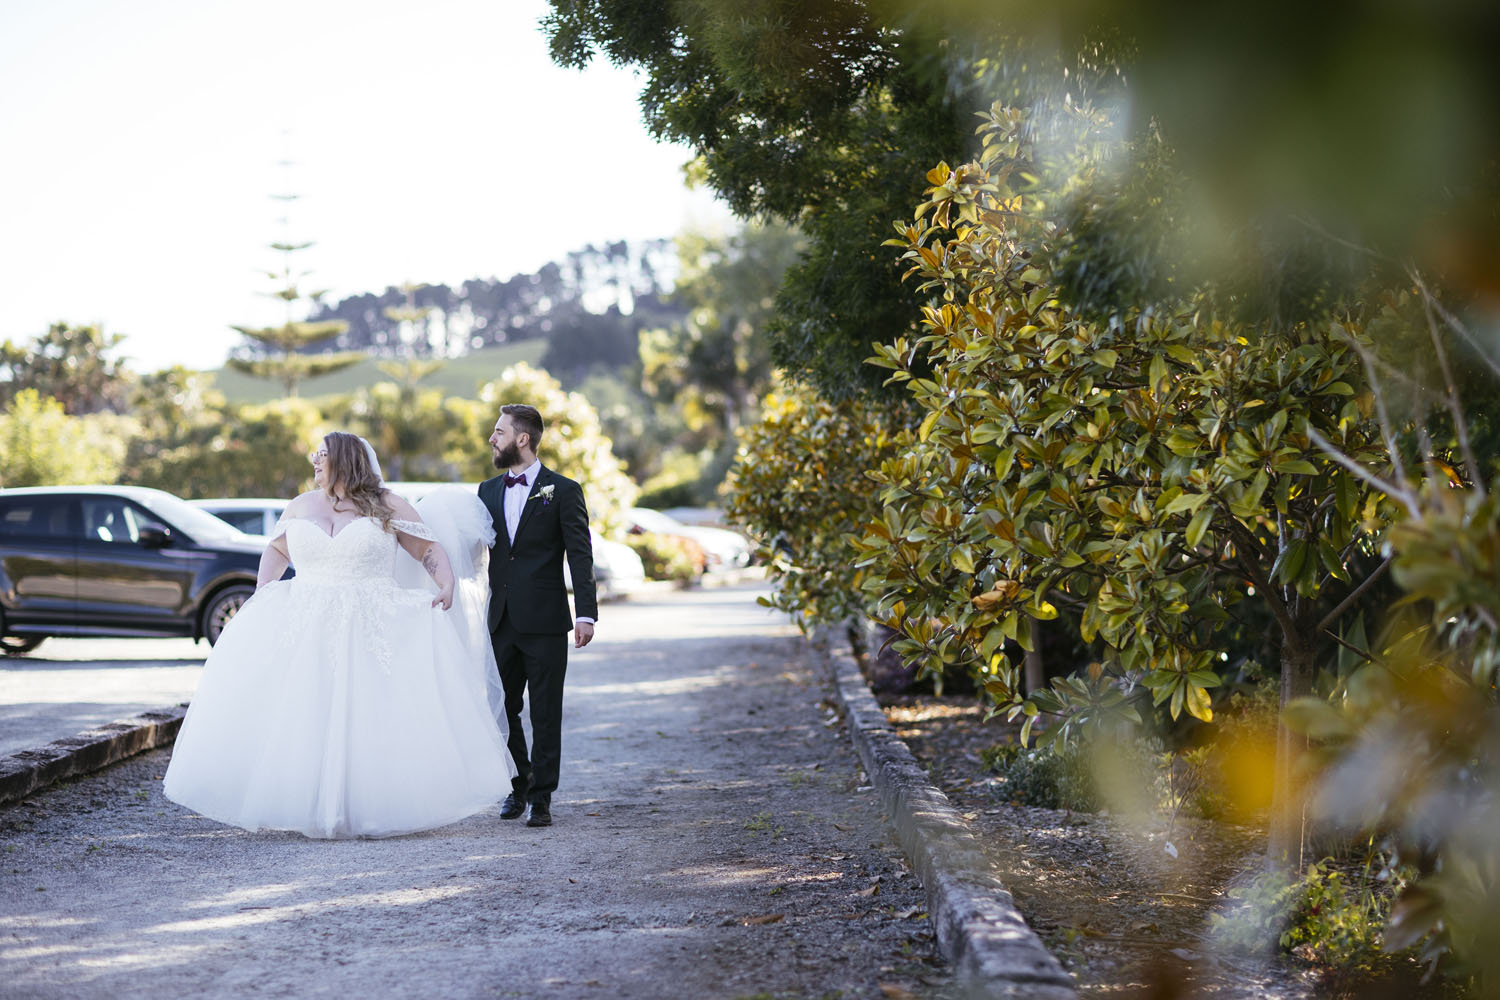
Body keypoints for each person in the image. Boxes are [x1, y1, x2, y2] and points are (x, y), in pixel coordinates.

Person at [163, 432, 514, 838]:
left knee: (365, 710)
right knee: (308, 708)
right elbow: (278, 550)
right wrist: (264, 590)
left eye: (322, 454)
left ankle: (365, 805)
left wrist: (446, 583)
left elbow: (427, 549)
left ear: (345, 459)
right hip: (307, 619)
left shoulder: (387, 505)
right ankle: (310, 803)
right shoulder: (300, 505)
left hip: (370, 620)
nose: (314, 460)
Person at [479, 404, 597, 828]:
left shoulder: (563, 490)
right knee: (500, 709)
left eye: (499, 432)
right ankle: (519, 783)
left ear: (522, 438)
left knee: (546, 711)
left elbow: (580, 556)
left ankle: (542, 797)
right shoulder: (486, 491)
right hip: (500, 620)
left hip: (546, 620)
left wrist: (586, 614)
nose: (492, 439)